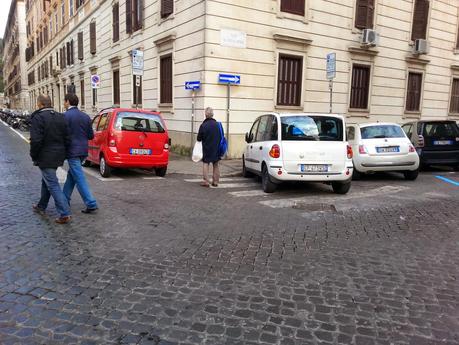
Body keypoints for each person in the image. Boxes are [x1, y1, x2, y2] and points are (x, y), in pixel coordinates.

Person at [30, 94, 72, 224]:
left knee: (52, 184)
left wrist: (33, 155)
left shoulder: (38, 118)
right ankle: (41, 206)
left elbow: (36, 141)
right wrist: (64, 153)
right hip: (58, 155)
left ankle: (64, 213)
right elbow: (68, 138)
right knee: (46, 180)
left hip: (45, 155)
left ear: (40, 104)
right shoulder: (61, 117)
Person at [62, 93, 98, 214]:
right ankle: (64, 199)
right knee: (72, 175)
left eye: (64, 101)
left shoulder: (65, 116)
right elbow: (90, 135)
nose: (63, 103)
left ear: (68, 102)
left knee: (79, 177)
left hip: (72, 151)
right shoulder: (85, 116)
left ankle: (91, 202)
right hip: (83, 151)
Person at [197, 107, 222, 187]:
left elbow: (199, 138)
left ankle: (206, 182)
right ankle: (216, 182)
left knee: (206, 163)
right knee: (216, 164)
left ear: (205, 115)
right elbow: (221, 136)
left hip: (207, 147)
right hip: (216, 147)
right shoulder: (217, 125)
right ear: (212, 114)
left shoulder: (203, 125)